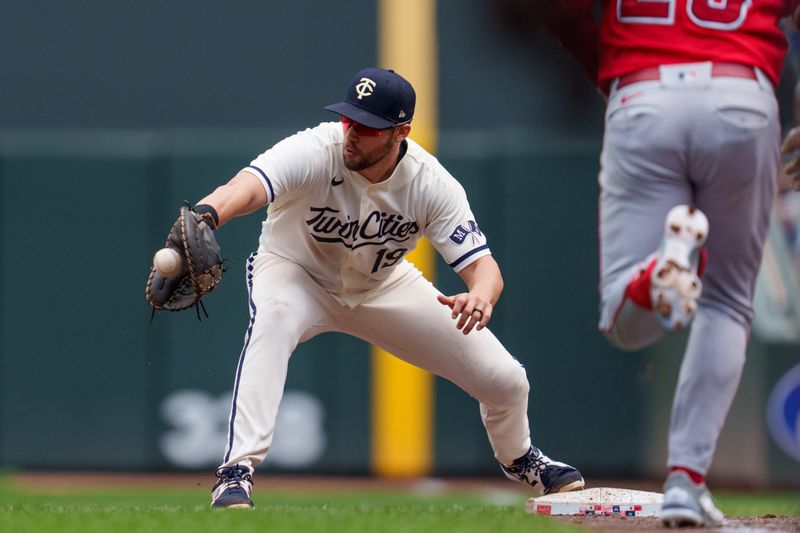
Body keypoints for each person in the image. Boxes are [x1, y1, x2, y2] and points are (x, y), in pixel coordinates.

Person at [188, 67, 584, 508]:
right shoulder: (317, 148)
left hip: (383, 286)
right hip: (295, 272)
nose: (351, 133)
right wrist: (206, 214)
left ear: (400, 132)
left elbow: (483, 267)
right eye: (348, 119)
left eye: (367, 126)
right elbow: (248, 186)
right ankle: (236, 471)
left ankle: (521, 458)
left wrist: (481, 295)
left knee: (506, 380)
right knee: (275, 317)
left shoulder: (430, 183)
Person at [535, 0, 794, 528]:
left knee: (623, 321)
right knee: (727, 301)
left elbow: (557, 9)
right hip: (742, 94)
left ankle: (658, 275)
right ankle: (685, 483)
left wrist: (606, 72)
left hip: (643, 91)